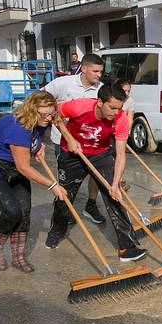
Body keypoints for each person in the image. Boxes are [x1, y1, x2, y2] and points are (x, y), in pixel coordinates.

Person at [0, 91, 76, 272]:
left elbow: (56, 120)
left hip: (14, 167)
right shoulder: (18, 128)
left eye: (51, 113)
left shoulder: (45, 117)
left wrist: (41, 143)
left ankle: (18, 258)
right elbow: (24, 168)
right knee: (12, 212)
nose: (50, 118)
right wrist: (53, 185)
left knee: (24, 212)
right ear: (31, 110)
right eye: (45, 115)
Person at [44, 81, 147, 262]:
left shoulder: (121, 119)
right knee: (65, 195)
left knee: (115, 196)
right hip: (71, 155)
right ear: (100, 102)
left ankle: (127, 247)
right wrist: (68, 138)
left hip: (100, 155)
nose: (116, 113)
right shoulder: (79, 106)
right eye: (112, 108)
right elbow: (55, 115)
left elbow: (121, 155)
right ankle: (56, 231)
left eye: (119, 108)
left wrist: (115, 184)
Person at [43, 53, 105, 224]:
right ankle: (66, 211)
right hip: (64, 141)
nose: (99, 75)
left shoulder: (102, 89)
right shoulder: (63, 83)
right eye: (95, 71)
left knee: (96, 174)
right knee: (68, 180)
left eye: (101, 71)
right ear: (84, 69)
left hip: (92, 141)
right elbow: (40, 99)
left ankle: (91, 205)